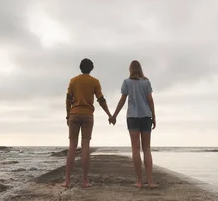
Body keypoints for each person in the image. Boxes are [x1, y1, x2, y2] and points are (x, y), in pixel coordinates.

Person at [63, 58, 113, 188]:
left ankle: (67, 181)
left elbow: (68, 99)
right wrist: (109, 115)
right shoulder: (94, 82)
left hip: (74, 114)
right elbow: (101, 100)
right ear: (91, 69)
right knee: (85, 146)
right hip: (87, 115)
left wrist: (68, 115)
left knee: (72, 146)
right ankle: (85, 181)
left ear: (80, 68)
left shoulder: (73, 81)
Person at [110, 60, 158, 188]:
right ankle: (150, 181)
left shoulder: (127, 82)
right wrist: (154, 116)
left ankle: (139, 181)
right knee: (147, 149)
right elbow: (150, 100)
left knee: (135, 149)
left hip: (132, 117)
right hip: (146, 116)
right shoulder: (146, 82)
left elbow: (122, 100)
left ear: (130, 69)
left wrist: (114, 115)